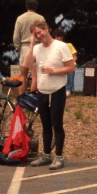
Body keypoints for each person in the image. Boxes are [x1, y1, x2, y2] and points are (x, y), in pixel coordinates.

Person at [24, 20, 75, 170]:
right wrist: (32, 44)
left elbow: (71, 68)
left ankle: (59, 156)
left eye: (40, 32)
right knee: (45, 124)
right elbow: (27, 64)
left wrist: (54, 71)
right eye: (35, 34)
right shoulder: (37, 48)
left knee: (56, 123)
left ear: (47, 29)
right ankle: (46, 155)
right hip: (42, 91)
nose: (39, 36)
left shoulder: (61, 46)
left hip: (57, 90)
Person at [13, 0, 44, 94]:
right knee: (35, 75)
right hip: (38, 46)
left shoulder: (20, 18)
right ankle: (34, 100)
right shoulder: (40, 18)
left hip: (25, 47)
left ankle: (21, 100)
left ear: (26, 5)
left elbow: (16, 37)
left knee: (23, 75)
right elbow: (44, 34)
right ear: (36, 6)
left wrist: (19, 48)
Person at [52, 28, 78, 95]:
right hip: (56, 64)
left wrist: (71, 63)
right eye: (57, 39)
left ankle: (68, 89)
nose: (59, 41)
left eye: (60, 39)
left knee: (70, 69)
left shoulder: (68, 45)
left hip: (66, 64)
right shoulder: (51, 46)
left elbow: (74, 57)